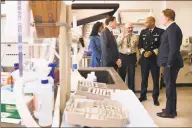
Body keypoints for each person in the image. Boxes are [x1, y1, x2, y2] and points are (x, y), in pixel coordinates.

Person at [157, 9, 183, 118]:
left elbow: (173, 49)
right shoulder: (171, 28)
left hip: (171, 64)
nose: (162, 19)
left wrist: (168, 64)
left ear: (167, 18)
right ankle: (171, 109)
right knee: (170, 87)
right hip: (170, 63)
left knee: (169, 87)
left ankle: (169, 112)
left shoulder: (172, 29)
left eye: (163, 17)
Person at [138, 16, 164, 106]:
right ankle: (143, 95)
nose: (145, 24)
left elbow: (161, 46)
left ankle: (155, 98)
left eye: (146, 22)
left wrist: (152, 52)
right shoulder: (143, 32)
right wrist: (144, 52)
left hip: (154, 60)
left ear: (152, 22)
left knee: (155, 79)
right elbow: (139, 45)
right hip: (145, 59)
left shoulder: (161, 32)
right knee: (144, 79)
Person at [117, 23, 140, 92]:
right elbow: (117, 45)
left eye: (131, 28)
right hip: (122, 57)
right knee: (121, 75)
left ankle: (131, 92)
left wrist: (137, 58)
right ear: (125, 28)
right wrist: (123, 37)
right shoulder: (120, 35)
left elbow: (136, 48)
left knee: (131, 76)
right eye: (128, 28)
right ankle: (122, 92)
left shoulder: (136, 36)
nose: (130, 29)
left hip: (131, 57)